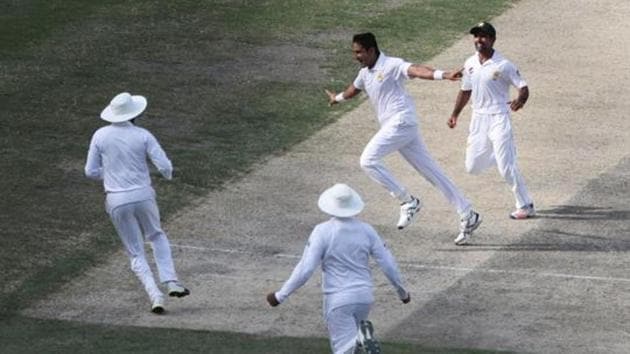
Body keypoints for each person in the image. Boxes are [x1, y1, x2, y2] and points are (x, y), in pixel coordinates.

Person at [325, 32, 481, 245]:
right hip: (402, 129)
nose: (356, 56)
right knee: (432, 173)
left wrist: (443, 74)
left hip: (401, 122)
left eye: (359, 52)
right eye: (355, 52)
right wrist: (338, 98)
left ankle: (407, 201)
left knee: (367, 160)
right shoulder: (365, 73)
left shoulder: (391, 64)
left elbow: (416, 70)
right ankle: (467, 213)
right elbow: (354, 90)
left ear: (371, 50)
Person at [266, 183, 410, 354]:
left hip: (338, 300)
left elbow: (306, 268)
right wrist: (402, 292)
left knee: (343, 351)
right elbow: (388, 263)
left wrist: (280, 295)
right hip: (364, 298)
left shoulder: (322, 231)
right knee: (355, 352)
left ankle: (360, 339)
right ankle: (360, 339)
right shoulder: (367, 230)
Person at [85, 92, 190, 314]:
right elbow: (164, 166)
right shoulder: (143, 135)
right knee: (156, 235)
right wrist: (168, 175)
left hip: (116, 199)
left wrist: (111, 174)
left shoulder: (100, 135)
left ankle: (155, 296)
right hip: (143, 194)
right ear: (135, 114)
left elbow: (91, 171)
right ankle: (170, 281)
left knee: (135, 251)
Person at [447, 22, 535, 222]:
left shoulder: (503, 64)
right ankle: (501, 154)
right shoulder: (469, 63)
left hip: (498, 117)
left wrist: (520, 101)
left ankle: (525, 205)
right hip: (478, 118)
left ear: (493, 40)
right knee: (473, 166)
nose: (479, 40)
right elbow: (465, 90)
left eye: (484, 36)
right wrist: (455, 114)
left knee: (507, 166)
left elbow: (523, 86)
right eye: (476, 36)